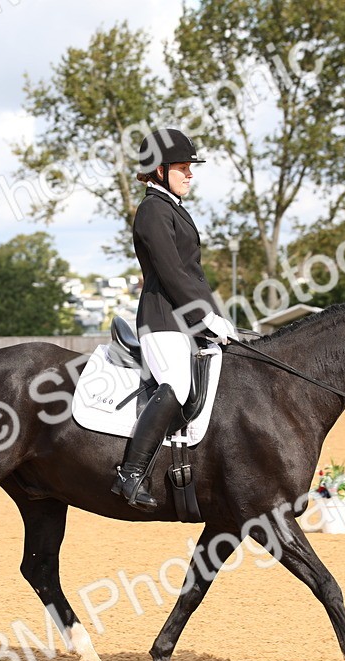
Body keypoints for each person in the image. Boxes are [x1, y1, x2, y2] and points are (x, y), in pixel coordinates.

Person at [112, 128, 239, 510]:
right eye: (183, 167)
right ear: (159, 169)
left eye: (189, 167)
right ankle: (130, 473)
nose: (190, 174)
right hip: (162, 321)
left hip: (185, 321)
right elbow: (171, 273)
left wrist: (218, 319)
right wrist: (205, 317)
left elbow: (194, 276)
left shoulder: (173, 209)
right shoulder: (152, 210)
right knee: (179, 385)